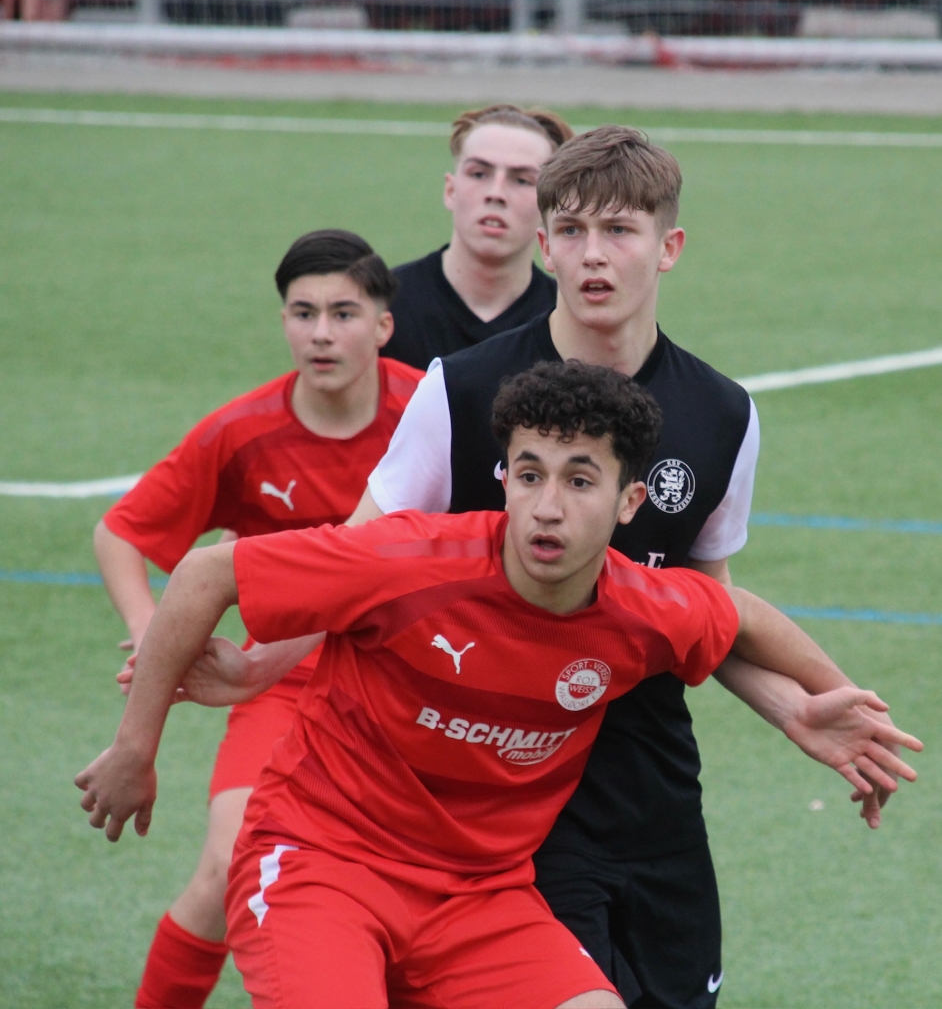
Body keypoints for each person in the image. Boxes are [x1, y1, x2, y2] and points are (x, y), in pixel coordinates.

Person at [75, 361, 921, 1009]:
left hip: (478, 898)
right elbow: (205, 574)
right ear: (504, 480)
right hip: (319, 866)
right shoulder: (407, 559)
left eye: (580, 480)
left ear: (629, 502)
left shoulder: (642, 608)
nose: (548, 505)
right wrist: (134, 752)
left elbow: (740, 616)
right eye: (529, 473)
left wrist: (822, 699)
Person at [349, 127, 901, 1007]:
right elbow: (353, 565)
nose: (593, 255)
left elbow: (704, 614)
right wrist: (259, 664)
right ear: (545, 246)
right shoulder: (462, 389)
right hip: (501, 799)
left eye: (619, 231)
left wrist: (796, 711)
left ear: (668, 247)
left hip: (651, 793)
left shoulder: (722, 414)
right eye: (571, 231)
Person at [92, 229, 423, 1009]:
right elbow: (121, 532)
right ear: (283, 323)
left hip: (407, 685)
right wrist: (151, 631)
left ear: (382, 325)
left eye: (343, 313)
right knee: (226, 867)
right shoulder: (243, 432)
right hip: (278, 682)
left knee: (414, 888)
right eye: (303, 313)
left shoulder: (427, 417)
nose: (321, 333)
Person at [381, 103, 572, 370]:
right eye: (479, 174)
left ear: (549, 206)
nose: (496, 193)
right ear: (450, 190)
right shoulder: (384, 306)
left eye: (522, 180)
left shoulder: (568, 320)